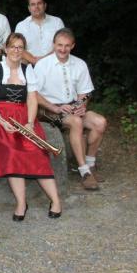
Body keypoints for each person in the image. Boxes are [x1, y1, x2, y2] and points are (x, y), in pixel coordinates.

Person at [0, 33, 62, 221]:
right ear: (6, 49)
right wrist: (2, 121)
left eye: (20, 47)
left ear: (24, 50)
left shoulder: (27, 70)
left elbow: (32, 99)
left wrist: (30, 123)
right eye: (13, 47)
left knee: (38, 152)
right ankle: (21, 203)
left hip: (25, 118)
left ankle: (56, 201)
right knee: (12, 152)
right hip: (1, 119)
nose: (16, 51)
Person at [34, 28, 107, 190]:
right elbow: (34, 94)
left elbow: (85, 93)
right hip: (48, 109)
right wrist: (55, 108)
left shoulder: (80, 64)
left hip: (72, 107)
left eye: (67, 45)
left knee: (100, 122)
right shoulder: (42, 65)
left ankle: (90, 164)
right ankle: (84, 172)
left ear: (72, 46)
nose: (63, 49)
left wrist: (81, 106)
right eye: (59, 45)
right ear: (54, 45)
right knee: (76, 122)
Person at [14, 0, 65, 65]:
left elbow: (63, 45)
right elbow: (18, 48)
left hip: (54, 64)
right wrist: (34, 61)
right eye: (33, 4)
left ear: (45, 5)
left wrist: (43, 61)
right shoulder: (21, 26)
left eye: (39, 3)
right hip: (29, 66)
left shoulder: (57, 22)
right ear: (29, 8)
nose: (36, 7)